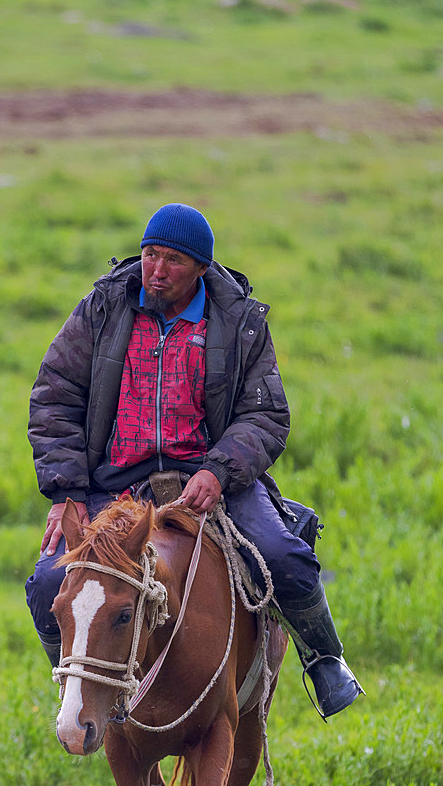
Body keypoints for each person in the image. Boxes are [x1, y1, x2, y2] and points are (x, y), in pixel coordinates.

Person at [26, 202, 363, 719]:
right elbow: (55, 395)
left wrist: (219, 469)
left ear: (202, 268)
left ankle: (324, 660)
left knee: (285, 556)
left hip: (207, 478)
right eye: (149, 254)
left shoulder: (240, 322)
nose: (155, 271)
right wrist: (66, 491)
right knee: (50, 581)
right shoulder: (102, 309)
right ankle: (78, 688)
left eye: (172, 261)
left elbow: (264, 414)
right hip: (115, 484)